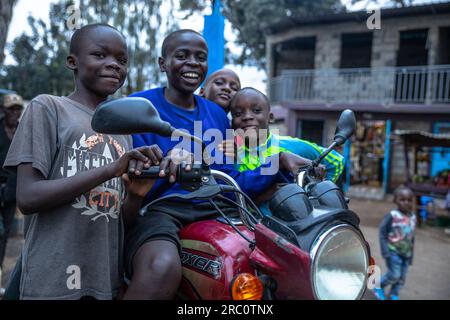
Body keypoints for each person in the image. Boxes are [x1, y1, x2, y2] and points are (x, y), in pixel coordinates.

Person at [123, 29, 306, 299]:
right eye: (182, 56)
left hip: (219, 206)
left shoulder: (217, 115)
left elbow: (232, 178)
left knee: (281, 260)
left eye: (200, 57)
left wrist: (277, 162)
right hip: (162, 209)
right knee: (162, 267)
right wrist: (168, 161)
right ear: (163, 64)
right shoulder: (139, 106)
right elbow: (132, 169)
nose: (193, 63)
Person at [2, 23, 164, 300]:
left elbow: (113, 218)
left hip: (102, 281)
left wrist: (135, 197)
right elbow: (28, 198)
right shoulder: (48, 108)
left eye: (122, 60)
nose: (114, 65)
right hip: (51, 278)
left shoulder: (123, 132)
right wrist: (112, 168)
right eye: (100, 55)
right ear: (72, 62)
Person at [229, 87, 345, 214]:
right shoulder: (231, 157)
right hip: (249, 230)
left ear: (270, 117)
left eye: (256, 110)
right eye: (238, 114)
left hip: (295, 226)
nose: (247, 117)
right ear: (232, 122)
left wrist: (313, 192)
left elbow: (336, 162)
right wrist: (263, 197)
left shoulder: (292, 146)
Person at [373, 186, 416, 300]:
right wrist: (385, 251)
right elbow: (382, 232)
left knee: (401, 277)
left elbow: (411, 237)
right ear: (395, 200)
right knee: (394, 275)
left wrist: (411, 255)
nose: (406, 203)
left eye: (409, 200)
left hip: (406, 254)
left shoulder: (413, 217)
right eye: (402, 199)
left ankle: (394, 293)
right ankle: (378, 287)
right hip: (393, 252)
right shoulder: (392, 216)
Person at [0, 93, 24, 296]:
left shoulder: (23, 130)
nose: (15, 113)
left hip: (11, 191)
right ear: (4, 110)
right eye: (11, 109)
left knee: (5, 233)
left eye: (18, 109)